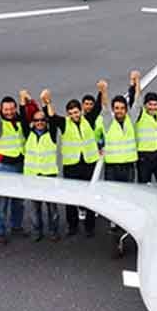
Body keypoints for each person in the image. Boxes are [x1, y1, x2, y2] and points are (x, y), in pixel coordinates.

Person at [0, 90, 39, 244]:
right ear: (1, 110)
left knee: (18, 200)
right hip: (2, 165)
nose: (9, 112)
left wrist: (29, 99)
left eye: (12, 109)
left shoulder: (20, 120)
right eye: (6, 110)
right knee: (2, 200)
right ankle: (0, 231)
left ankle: (16, 226)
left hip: (19, 163)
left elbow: (35, 112)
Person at [54, 90, 103, 238]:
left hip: (88, 163)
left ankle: (90, 227)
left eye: (76, 112)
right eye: (71, 113)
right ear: (68, 114)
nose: (74, 115)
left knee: (89, 196)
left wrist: (101, 91)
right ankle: (72, 226)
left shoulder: (89, 119)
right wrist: (47, 102)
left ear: (81, 111)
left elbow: (98, 107)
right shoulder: (64, 123)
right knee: (71, 197)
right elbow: (52, 117)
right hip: (72, 166)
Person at [23, 93, 62, 241]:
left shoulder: (51, 134)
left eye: (42, 120)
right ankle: (36, 231)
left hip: (49, 175)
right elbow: (22, 114)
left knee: (52, 207)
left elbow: (52, 118)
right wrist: (25, 100)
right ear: (32, 122)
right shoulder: (28, 134)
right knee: (34, 208)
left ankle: (53, 231)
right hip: (33, 176)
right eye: (36, 120)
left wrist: (47, 102)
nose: (39, 122)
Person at [102, 91, 139, 234]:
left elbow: (138, 103)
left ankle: (127, 223)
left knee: (129, 196)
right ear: (113, 109)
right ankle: (114, 223)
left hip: (129, 166)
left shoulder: (131, 120)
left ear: (126, 110)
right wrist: (104, 91)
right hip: (112, 166)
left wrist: (136, 81)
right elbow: (104, 107)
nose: (119, 111)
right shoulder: (108, 122)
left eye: (122, 108)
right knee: (113, 197)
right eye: (116, 108)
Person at [130, 71, 157, 185]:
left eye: (155, 104)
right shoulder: (140, 113)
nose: (153, 107)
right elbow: (134, 100)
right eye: (150, 104)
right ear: (145, 105)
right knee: (143, 186)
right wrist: (134, 83)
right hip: (144, 157)